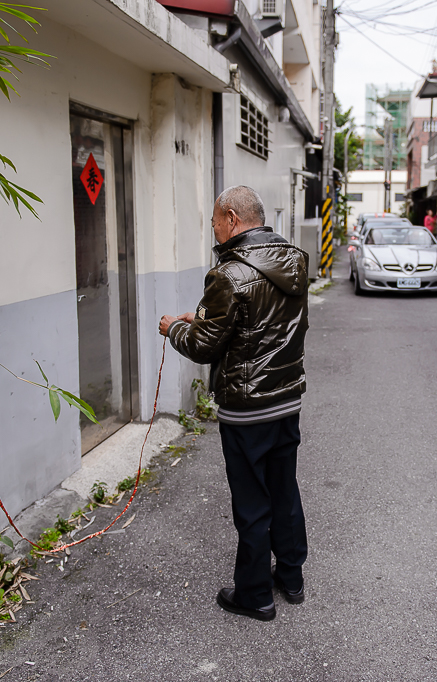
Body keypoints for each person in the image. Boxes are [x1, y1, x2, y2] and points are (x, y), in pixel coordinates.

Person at [158, 185, 309, 622]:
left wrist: (173, 328)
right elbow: (261, 322)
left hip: (247, 409)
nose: (215, 231)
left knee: (251, 504)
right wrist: (201, 316)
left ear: (231, 217)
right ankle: (292, 579)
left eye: (214, 223)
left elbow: (206, 348)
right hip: (286, 399)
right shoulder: (294, 261)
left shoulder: (227, 274)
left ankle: (256, 596)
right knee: (284, 490)